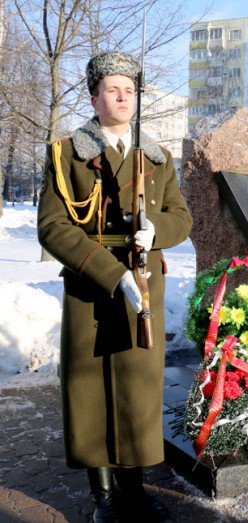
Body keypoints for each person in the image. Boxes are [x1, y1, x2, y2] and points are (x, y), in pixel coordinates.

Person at [37, 52, 193, 522]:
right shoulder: (67, 154)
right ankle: (103, 496)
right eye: (112, 89)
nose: (122, 97)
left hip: (145, 287)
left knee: (136, 390)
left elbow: (181, 218)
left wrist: (156, 232)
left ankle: (135, 489)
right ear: (94, 97)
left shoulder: (157, 157)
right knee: (90, 390)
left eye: (129, 90)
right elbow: (53, 226)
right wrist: (111, 272)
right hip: (91, 285)